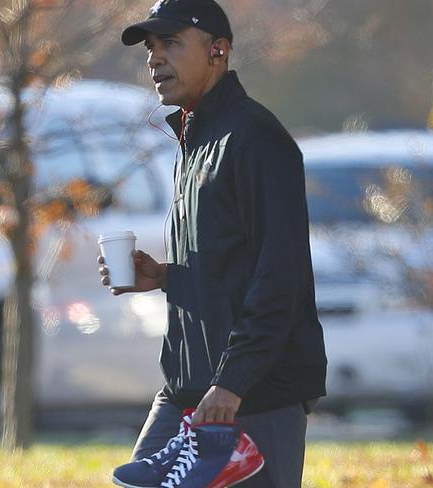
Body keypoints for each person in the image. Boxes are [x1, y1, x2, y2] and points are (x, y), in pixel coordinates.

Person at [98, 0, 327, 485]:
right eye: (152, 47)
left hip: (253, 396)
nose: (155, 59)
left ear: (218, 49)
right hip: (188, 388)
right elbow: (232, 265)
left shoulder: (256, 139)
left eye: (172, 43)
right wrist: (167, 277)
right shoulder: (194, 136)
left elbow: (279, 276)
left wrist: (232, 384)